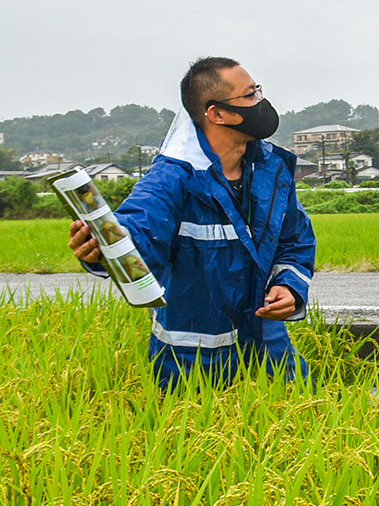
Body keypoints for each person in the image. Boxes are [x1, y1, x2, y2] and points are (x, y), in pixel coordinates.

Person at [69, 57, 316, 388]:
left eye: (257, 90)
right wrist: (102, 246)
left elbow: (294, 240)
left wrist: (288, 286)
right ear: (217, 114)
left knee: (297, 420)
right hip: (192, 360)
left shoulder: (271, 168)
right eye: (249, 95)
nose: (260, 101)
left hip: (268, 344)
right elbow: (138, 230)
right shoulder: (172, 178)